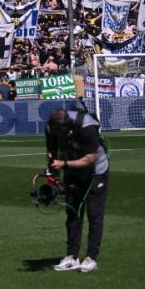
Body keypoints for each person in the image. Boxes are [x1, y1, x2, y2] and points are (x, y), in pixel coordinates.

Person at [45, 107, 110, 273]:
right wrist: (53, 177)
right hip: (72, 167)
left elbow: (90, 159)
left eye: (60, 131)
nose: (57, 133)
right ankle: (72, 256)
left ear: (67, 127)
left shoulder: (86, 127)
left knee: (94, 214)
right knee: (73, 212)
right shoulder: (50, 127)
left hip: (96, 170)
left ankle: (91, 258)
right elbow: (52, 153)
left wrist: (64, 165)